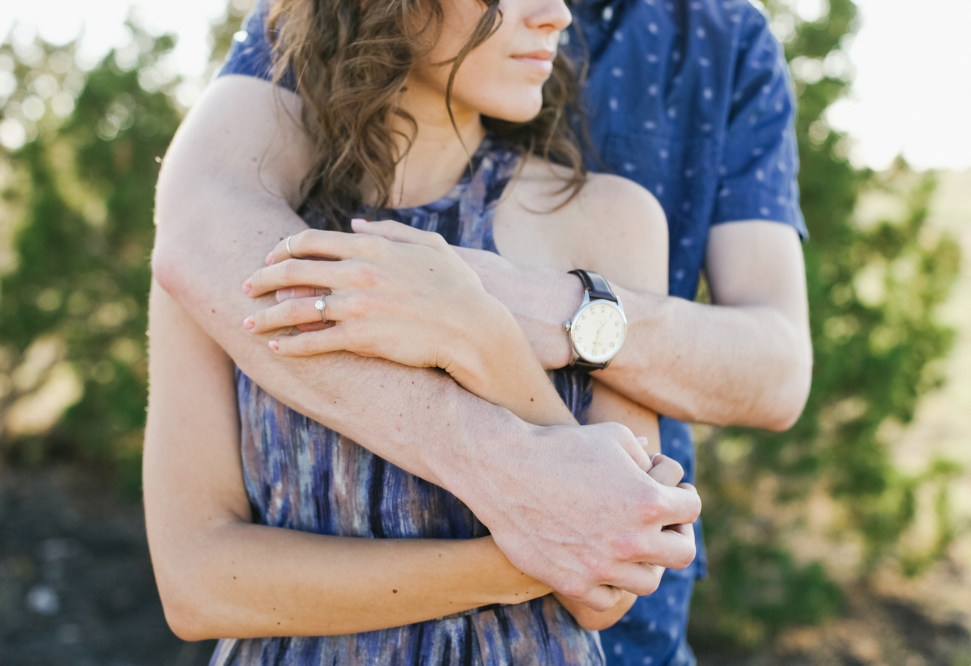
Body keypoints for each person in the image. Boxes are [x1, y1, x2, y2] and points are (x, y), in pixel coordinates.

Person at [150, 0, 812, 664]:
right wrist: (521, 555)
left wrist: (482, 331)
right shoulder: (233, 229)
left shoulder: (611, 213)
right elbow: (196, 583)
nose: (558, 17)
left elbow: (613, 579)